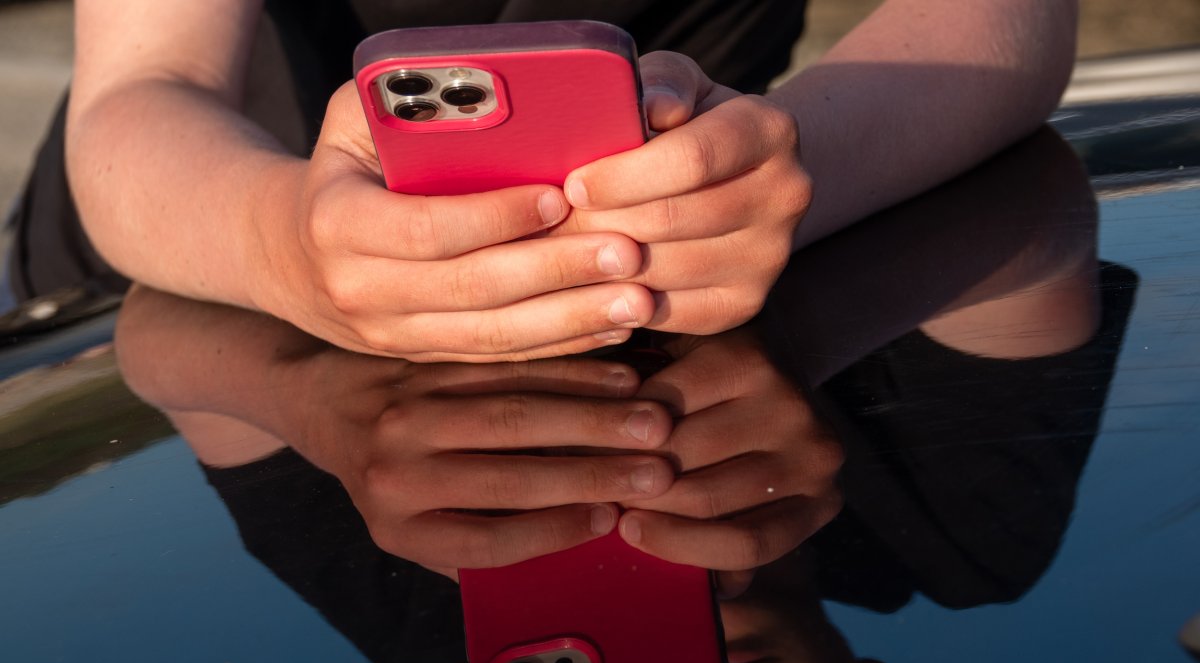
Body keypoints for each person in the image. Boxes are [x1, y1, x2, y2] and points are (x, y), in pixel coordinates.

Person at [23, 0, 1078, 361]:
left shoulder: (964, 541)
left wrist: (759, 176)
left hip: (695, 287)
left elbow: (1013, 19)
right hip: (181, 254)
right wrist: (284, 247)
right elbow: (141, 87)